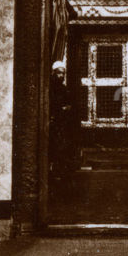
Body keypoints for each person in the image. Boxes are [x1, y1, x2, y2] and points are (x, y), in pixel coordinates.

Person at [48, 59, 78, 196]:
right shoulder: (50, 89)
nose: (61, 76)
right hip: (54, 125)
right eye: (59, 73)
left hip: (62, 126)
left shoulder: (64, 89)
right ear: (54, 73)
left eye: (63, 74)